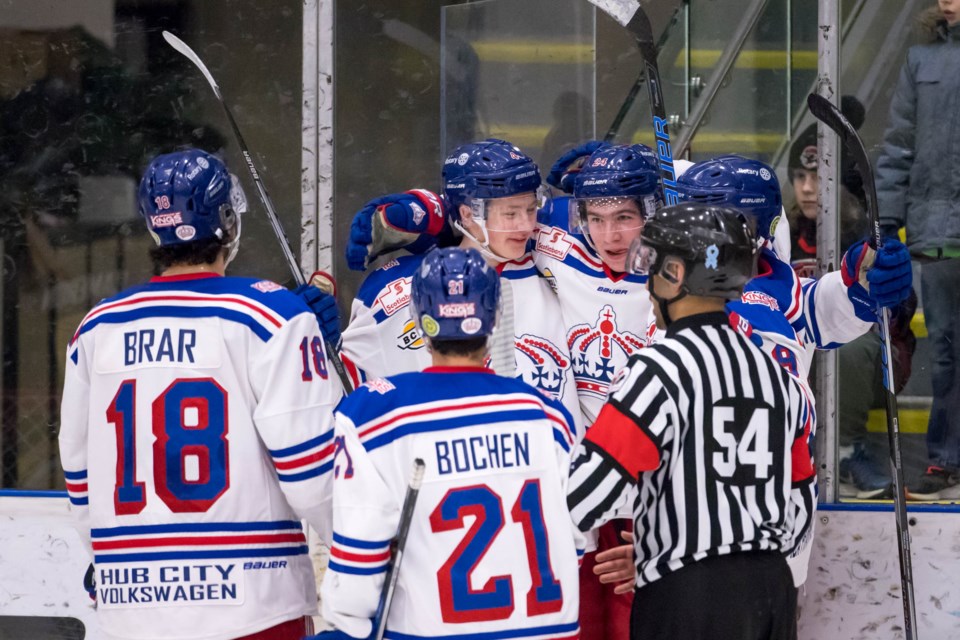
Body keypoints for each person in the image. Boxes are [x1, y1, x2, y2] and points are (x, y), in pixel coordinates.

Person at [58, 149, 344, 640]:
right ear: (228, 223)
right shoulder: (270, 315)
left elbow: (80, 471)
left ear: (154, 229)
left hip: (133, 609)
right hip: (254, 604)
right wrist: (368, 559)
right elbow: (313, 474)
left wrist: (120, 565)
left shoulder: (97, 326)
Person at [567, 203, 815, 640]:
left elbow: (587, 493)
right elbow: (799, 508)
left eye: (654, 266)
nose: (646, 283)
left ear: (676, 274)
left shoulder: (657, 368)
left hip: (691, 599)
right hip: (773, 592)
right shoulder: (779, 377)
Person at [312, 247, 583, 640]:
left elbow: (360, 554)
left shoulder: (375, 415)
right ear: (495, 317)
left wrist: (348, 625)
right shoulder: (549, 415)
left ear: (419, 322)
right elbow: (574, 542)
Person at [338, 138, 583, 432]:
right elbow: (345, 392)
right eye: (510, 213)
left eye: (531, 210)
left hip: (555, 469)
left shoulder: (554, 266)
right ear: (467, 213)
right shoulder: (403, 289)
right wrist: (314, 336)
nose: (525, 225)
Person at [786, 126, 918, 499]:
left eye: (817, 177)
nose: (808, 188)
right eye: (800, 177)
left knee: (849, 344)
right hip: (803, 362)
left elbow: (900, 316)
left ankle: (844, 452)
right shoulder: (782, 233)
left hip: (872, 364)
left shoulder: (868, 236)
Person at [876, 0, 960, 500]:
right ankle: (946, 458)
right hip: (940, 231)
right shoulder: (921, 60)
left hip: (938, 226)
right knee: (947, 351)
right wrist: (888, 220)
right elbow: (899, 143)